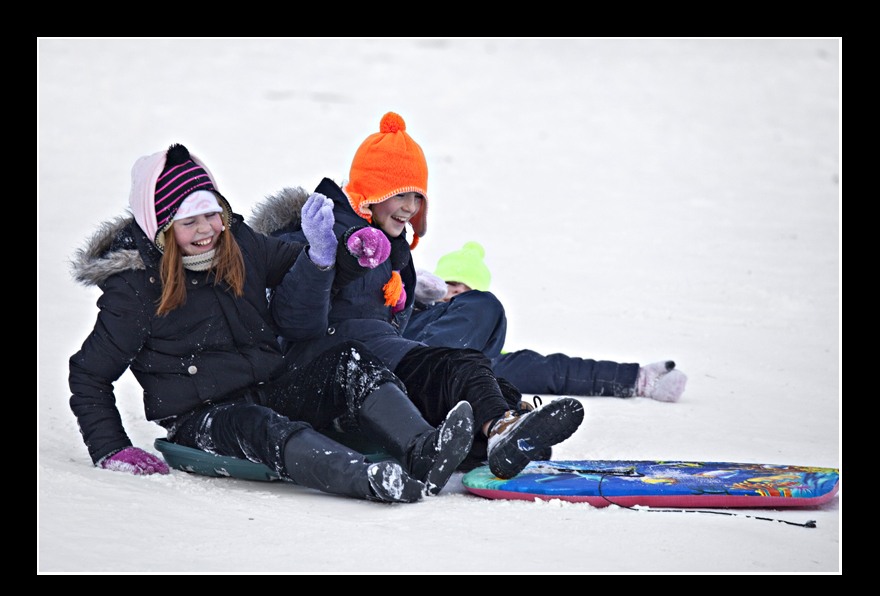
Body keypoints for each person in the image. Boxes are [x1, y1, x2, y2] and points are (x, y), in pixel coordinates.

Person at [67, 142, 476, 504]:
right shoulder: (137, 289)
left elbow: (300, 265)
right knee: (260, 426)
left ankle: (422, 447)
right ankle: (365, 478)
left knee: (347, 359)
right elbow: (89, 374)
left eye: (211, 215)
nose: (207, 230)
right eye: (189, 222)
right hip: (201, 415)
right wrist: (111, 447)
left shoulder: (240, 243)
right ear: (162, 229)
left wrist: (343, 257)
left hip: (268, 384)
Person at [252, 112, 584, 481]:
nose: (411, 206)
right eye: (400, 194)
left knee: (474, 380)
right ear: (371, 191)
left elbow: (387, 321)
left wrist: (413, 295)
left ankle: (503, 430)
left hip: (380, 357)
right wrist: (320, 259)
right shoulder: (316, 231)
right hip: (324, 372)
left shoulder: (394, 252)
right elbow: (293, 323)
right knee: (459, 367)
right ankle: (497, 431)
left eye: (417, 196)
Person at [404, 241, 688, 401]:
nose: (454, 295)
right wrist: (411, 296)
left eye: (464, 292)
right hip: (408, 368)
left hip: (466, 373)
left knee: (530, 374)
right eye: (448, 287)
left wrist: (638, 378)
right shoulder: (413, 316)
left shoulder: (495, 360)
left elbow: (559, 371)